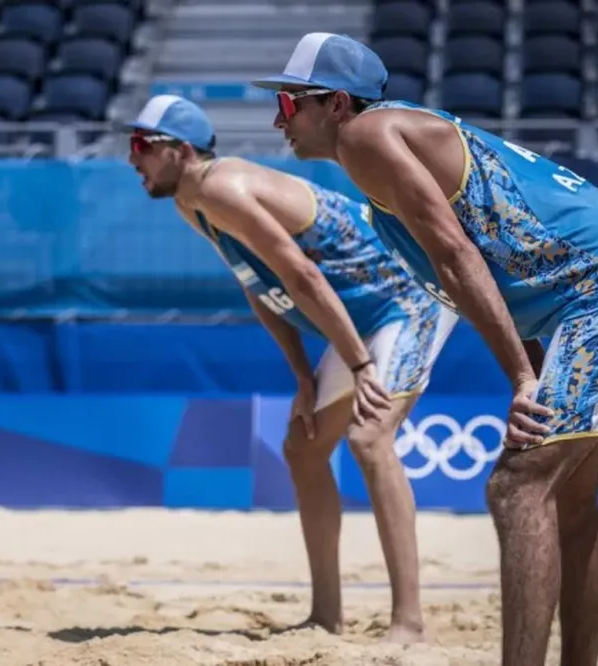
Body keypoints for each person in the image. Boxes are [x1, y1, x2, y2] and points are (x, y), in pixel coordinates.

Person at [250, 32, 598, 666]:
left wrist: (520, 377)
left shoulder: (368, 138)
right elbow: (507, 268)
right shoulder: (391, 144)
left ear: (338, 104)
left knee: (518, 487)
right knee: (567, 494)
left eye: (291, 104)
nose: (277, 119)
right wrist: (533, 367)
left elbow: (458, 258)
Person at [126, 94, 459, 643]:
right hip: (360, 322)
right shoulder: (193, 201)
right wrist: (304, 377)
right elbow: (258, 285)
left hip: (408, 297)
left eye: (142, 146)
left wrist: (358, 363)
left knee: (371, 438)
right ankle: (326, 616)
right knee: (304, 447)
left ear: (180, 151)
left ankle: (409, 621)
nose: (132, 159)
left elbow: (301, 275)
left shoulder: (221, 187)